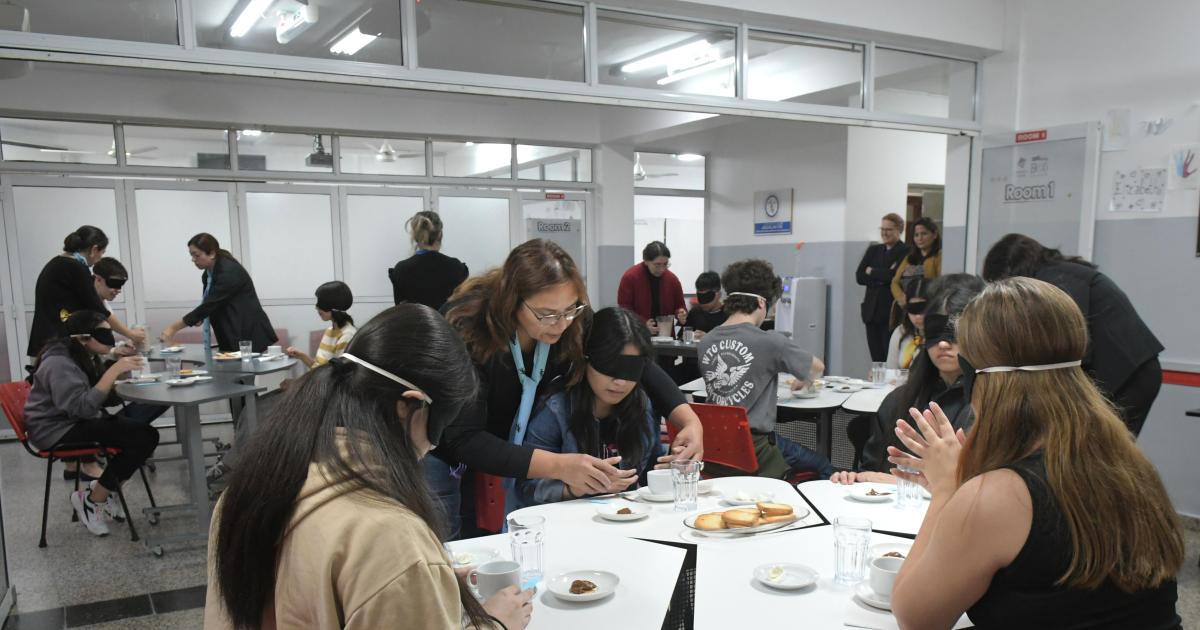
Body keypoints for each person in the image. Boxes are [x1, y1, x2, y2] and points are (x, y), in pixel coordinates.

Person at [206, 304, 533, 630]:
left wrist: (427, 589)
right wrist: (493, 623)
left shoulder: (249, 488)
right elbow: (380, 560)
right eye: (442, 426)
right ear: (409, 405)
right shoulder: (388, 537)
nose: (434, 445)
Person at [886, 277, 1183, 630]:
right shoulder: (1127, 461)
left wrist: (947, 491)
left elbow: (916, 618)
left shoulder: (999, 496)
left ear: (978, 378)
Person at [435, 239, 704, 539]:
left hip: (507, 446)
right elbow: (461, 437)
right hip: (446, 448)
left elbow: (629, 359)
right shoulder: (468, 327)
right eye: (546, 314)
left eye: (569, 310)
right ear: (511, 301)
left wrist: (687, 419)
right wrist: (560, 466)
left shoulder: (571, 319)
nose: (561, 324)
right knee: (453, 538)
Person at [982, 233, 1164, 436]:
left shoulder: (1055, 282)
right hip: (1131, 369)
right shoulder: (1064, 273)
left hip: (1127, 376)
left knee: (1100, 450)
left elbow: (1068, 345)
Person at [833, 274, 983, 484]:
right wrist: (855, 479)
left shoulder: (985, 407)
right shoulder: (898, 401)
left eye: (954, 334)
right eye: (935, 332)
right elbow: (871, 467)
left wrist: (899, 483)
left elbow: (973, 486)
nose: (943, 344)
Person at [23, 311, 161, 537]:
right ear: (83, 337)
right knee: (143, 437)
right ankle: (94, 499)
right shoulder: (59, 363)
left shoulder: (80, 355)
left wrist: (117, 371)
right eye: (103, 334)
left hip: (73, 421)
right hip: (55, 431)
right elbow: (83, 407)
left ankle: (102, 491)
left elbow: (100, 396)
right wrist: (115, 370)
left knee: (144, 435)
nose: (111, 340)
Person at [512, 308, 661, 510]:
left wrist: (668, 471)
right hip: (567, 525)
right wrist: (574, 490)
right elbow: (525, 489)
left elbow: (651, 470)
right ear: (586, 358)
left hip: (627, 520)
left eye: (631, 370)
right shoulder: (557, 409)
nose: (619, 381)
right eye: (608, 366)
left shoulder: (640, 405)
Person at [698, 259, 832, 480]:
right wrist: (805, 381)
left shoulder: (706, 341)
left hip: (714, 446)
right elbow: (817, 368)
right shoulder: (770, 342)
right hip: (755, 448)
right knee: (823, 465)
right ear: (761, 302)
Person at [26, 226, 146, 360]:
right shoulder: (76, 267)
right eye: (102, 253)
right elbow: (99, 311)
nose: (99, 259)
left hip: (45, 344)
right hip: (56, 350)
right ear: (94, 250)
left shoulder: (56, 263)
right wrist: (131, 334)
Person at [160, 233, 276, 352]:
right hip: (230, 332)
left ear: (212, 253)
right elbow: (210, 303)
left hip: (247, 335)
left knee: (245, 369)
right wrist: (199, 316)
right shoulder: (208, 273)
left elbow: (210, 304)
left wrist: (172, 329)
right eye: (191, 255)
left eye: (197, 255)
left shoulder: (229, 272)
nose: (193, 260)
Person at [390, 210, 470, 310]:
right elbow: (462, 308)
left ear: (415, 237)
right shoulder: (457, 267)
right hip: (447, 325)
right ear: (440, 234)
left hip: (415, 325)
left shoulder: (401, 269)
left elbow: (400, 310)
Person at [857, 213, 910, 362]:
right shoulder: (874, 250)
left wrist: (873, 271)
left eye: (889, 229)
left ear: (899, 230)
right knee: (876, 359)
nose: (884, 233)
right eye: (882, 229)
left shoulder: (906, 251)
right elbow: (859, 276)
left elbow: (895, 277)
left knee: (890, 357)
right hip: (871, 312)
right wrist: (881, 278)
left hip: (890, 313)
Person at [617, 241, 687, 337]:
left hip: (665, 336)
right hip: (638, 336)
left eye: (665, 264)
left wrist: (681, 313)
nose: (662, 269)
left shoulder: (672, 279)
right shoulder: (631, 277)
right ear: (646, 261)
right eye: (657, 264)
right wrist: (641, 324)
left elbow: (680, 304)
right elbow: (624, 308)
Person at [286, 281, 356, 369]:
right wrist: (301, 355)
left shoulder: (347, 335)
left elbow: (336, 375)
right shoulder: (330, 330)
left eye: (321, 302)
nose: (316, 307)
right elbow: (318, 368)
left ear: (333, 305)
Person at [890, 217, 942, 308]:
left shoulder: (939, 256)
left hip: (928, 307)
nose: (919, 238)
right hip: (907, 306)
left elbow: (941, 284)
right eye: (916, 235)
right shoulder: (909, 258)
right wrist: (901, 298)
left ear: (934, 235)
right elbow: (895, 282)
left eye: (924, 234)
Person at [884, 278, 929, 370]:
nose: (918, 316)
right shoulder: (901, 332)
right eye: (913, 310)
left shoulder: (942, 337)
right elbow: (891, 370)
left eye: (923, 309)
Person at [684, 271, 727, 336]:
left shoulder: (728, 315)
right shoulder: (694, 312)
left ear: (718, 295)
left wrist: (708, 337)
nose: (703, 304)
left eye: (707, 297)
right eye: (700, 296)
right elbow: (681, 337)